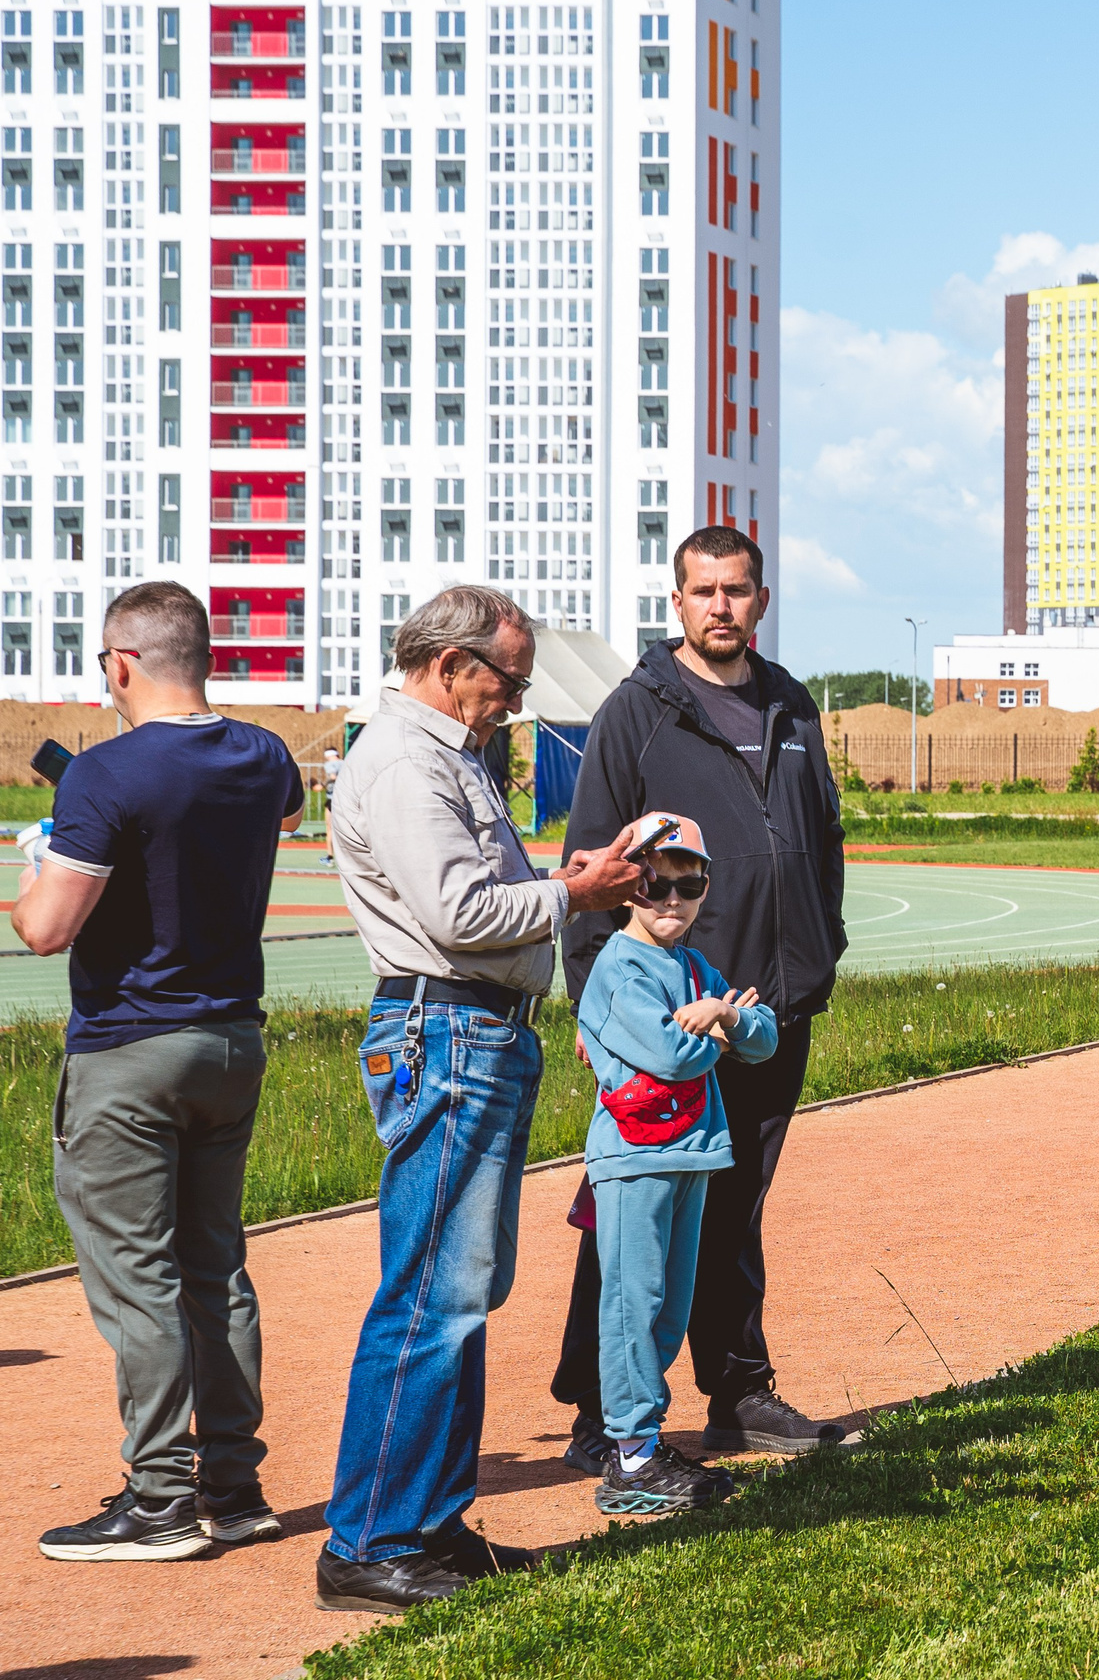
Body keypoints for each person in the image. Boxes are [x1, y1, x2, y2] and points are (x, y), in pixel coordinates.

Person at [319, 587, 645, 1613]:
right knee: (429, 1296)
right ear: (451, 665)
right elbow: (459, 914)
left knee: (461, 1294)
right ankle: (370, 1540)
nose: (514, 698)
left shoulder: (445, 756)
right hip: (445, 1029)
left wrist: (565, 883)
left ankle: (428, 1522)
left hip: (470, 1034)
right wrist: (574, 894)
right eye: (506, 679)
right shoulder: (410, 764)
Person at [550, 526, 850, 1473]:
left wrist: (818, 951)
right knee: (633, 1207)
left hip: (766, 1009)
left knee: (737, 1202)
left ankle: (737, 1390)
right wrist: (600, 1015)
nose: (721, 606)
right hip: (663, 1013)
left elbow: (823, 838)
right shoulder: (637, 714)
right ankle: (602, 1413)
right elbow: (592, 867)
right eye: (703, 590)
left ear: (760, 598)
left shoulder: (790, 703)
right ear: (676, 601)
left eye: (737, 589)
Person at [19, 585, 303, 1564]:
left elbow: (49, 928)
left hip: (131, 1049)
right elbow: (281, 803)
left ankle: (158, 1499)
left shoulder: (102, 775)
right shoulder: (265, 755)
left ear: (122, 662)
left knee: (136, 1279)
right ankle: (234, 1484)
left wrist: (38, 857)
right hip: (232, 1043)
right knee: (213, 1267)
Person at [578, 812, 779, 1517]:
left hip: (691, 1151)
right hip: (635, 1158)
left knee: (666, 1310)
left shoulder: (693, 968)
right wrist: (721, 1027)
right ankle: (629, 1455)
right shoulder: (616, 966)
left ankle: (645, 1442)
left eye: (687, 883)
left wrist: (717, 1014)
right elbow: (667, 1054)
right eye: (653, 882)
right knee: (633, 1306)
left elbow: (767, 1034)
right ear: (627, 885)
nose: (671, 899)